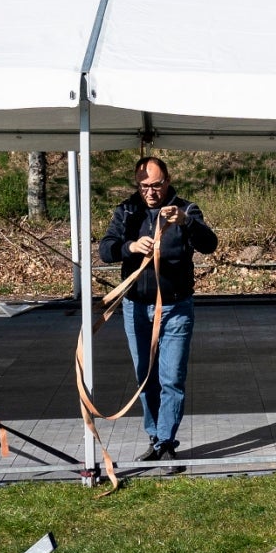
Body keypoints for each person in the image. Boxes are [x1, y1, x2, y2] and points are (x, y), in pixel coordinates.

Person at [96, 156, 218, 463]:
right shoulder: (127, 210)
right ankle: (155, 435)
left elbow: (209, 244)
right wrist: (131, 247)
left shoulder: (186, 209)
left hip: (176, 307)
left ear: (167, 180)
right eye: (144, 186)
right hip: (136, 307)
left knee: (172, 377)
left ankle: (166, 441)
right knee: (144, 378)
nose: (150, 191)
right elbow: (105, 249)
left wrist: (187, 223)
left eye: (156, 185)